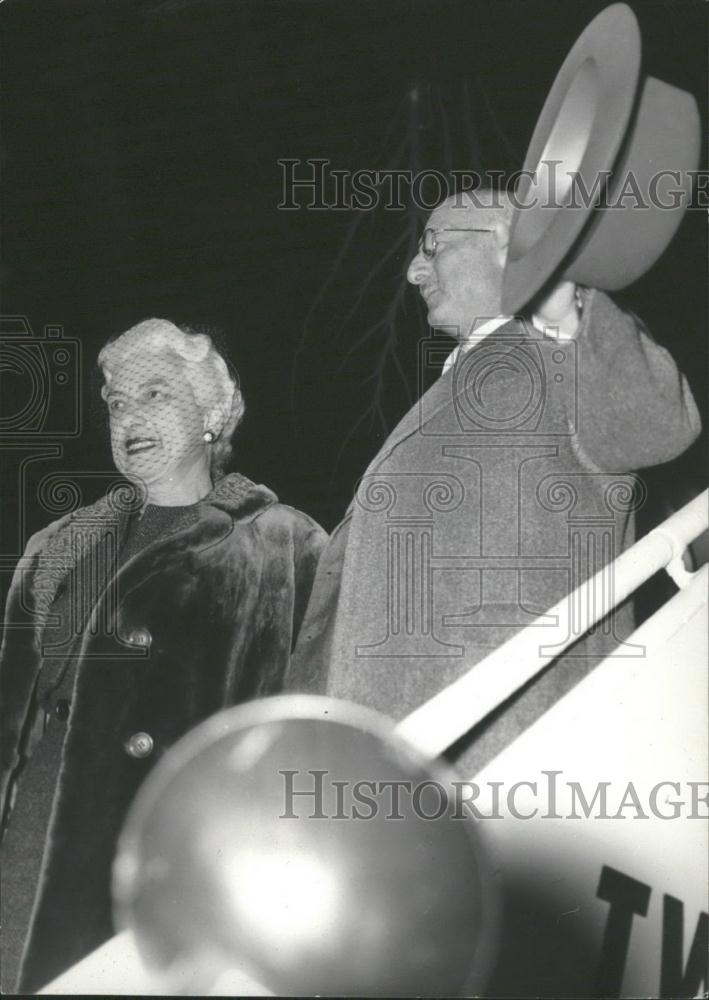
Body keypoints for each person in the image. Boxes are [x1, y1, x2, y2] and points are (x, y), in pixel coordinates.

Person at [286, 189, 701, 769]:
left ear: (510, 243)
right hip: (399, 769)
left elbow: (656, 425)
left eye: (433, 245)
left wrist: (566, 304)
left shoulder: (558, 344)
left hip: (515, 753)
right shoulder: (450, 390)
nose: (412, 271)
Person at [0, 318, 327, 992]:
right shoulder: (61, 543)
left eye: (154, 395)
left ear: (214, 412)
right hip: (30, 848)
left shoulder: (284, 546)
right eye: (116, 402)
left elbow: (305, 741)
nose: (128, 417)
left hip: (165, 866)